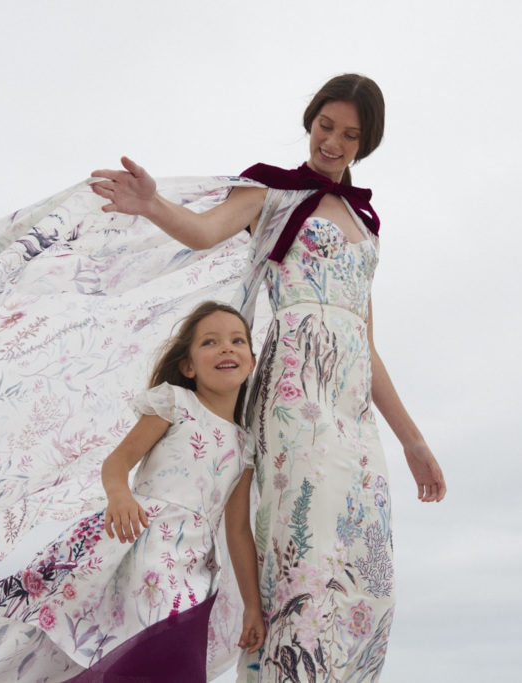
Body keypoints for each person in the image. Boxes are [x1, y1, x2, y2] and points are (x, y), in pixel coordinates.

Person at [89, 73, 446, 682]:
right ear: (310, 122)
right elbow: (203, 232)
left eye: (349, 135)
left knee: (367, 572)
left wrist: (413, 441)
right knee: (304, 560)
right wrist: (152, 205)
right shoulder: (274, 194)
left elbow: (366, 342)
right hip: (294, 396)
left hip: (352, 406)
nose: (332, 143)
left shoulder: (368, 226)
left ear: (366, 143)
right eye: (325, 126)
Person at [0, 301, 265, 682]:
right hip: (142, 547)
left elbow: (239, 532)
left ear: (252, 361)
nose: (226, 348)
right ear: (188, 366)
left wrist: (252, 606)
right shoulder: (175, 404)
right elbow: (118, 461)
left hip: (195, 569)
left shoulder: (244, 446)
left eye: (237, 340)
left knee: (178, 661)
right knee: (143, 653)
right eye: (210, 342)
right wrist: (120, 496)